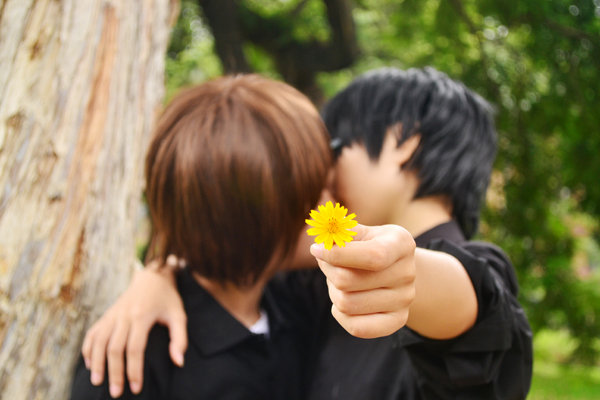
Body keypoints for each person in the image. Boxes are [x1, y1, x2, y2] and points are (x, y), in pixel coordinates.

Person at [81, 67, 533, 399]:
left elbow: (481, 311)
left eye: (335, 148)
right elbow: (238, 243)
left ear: (403, 141)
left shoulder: (463, 280)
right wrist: (160, 271)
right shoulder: (310, 284)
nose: (323, 174)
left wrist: (414, 277)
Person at [72, 74, 334, 399]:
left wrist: (158, 270)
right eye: (318, 191)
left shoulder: (300, 302)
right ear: (261, 222)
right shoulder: (135, 356)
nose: (335, 203)